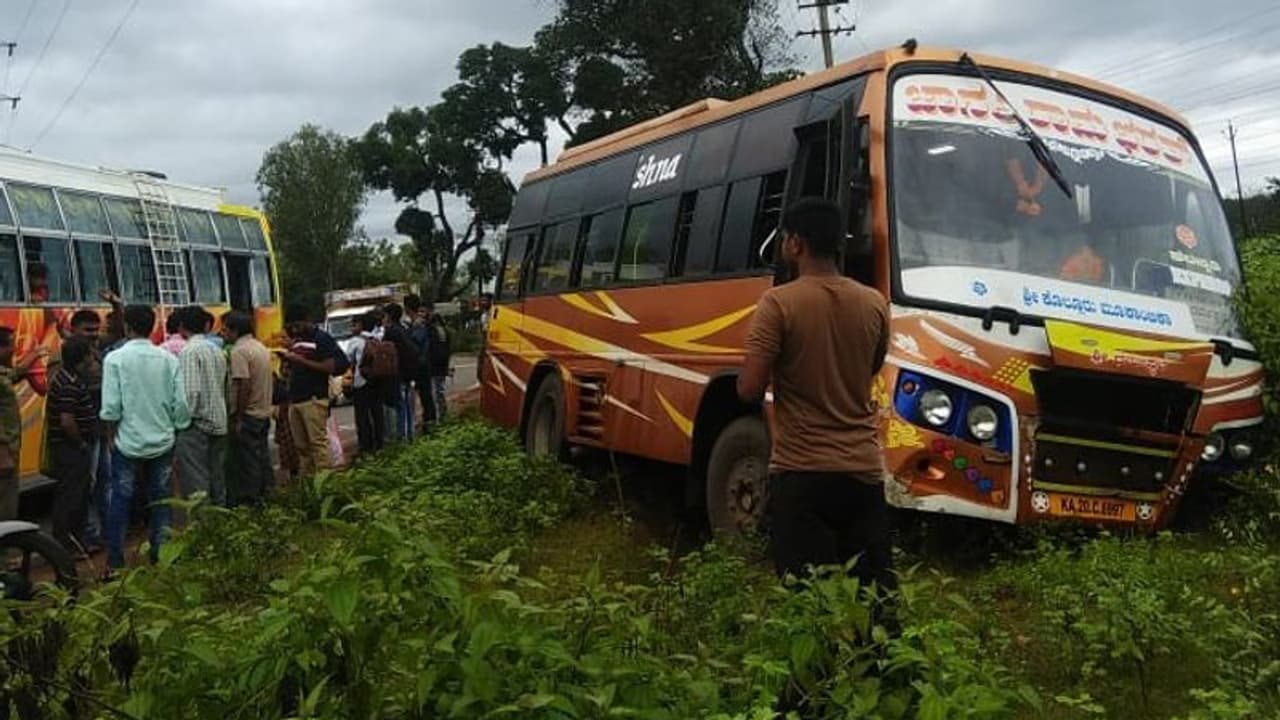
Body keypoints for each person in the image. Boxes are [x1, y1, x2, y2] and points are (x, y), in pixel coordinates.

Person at [737, 198, 893, 593]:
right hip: (863, 472)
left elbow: (749, 388)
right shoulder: (874, 303)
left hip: (802, 471)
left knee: (806, 599)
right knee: (873, 600)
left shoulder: (779, 303)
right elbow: (870, 369)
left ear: (794, 244)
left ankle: (817, 657)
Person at [100, 305, 191, 570]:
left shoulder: (114, 359)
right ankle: (160, 556)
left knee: (120, 499)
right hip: (162, 441)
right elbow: (181, 405)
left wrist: (110, 437)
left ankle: (115, 561)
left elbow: (111, 407)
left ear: (127, 327)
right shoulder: (168, 360)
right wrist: (176, 429)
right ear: (152, 327)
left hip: (126, 443)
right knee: (161, 499)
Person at [46, 337, 98, 554]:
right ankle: (68, 546)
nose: (93, 355)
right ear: (83, 357)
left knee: (70, 494)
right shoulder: (70, 384)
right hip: (71, 449)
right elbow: (67, 421)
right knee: (72, 497)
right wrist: (81, 443)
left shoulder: (63, 377)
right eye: (90, 352)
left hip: (66, 447)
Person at [175, 306, 229, 508]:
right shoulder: (216, 350)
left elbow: (191, 394)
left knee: (197, 484)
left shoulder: (189, 351)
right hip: (218, 421)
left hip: (197, 425)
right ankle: (221, 523)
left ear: (181, 327)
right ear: (206, 325)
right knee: (217, 480)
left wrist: (181, 423)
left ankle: (204, 530)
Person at [281, 305, 340, 476]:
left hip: (314, 398)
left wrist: (300, 360)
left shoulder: (321, 338)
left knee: (317, 444)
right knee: (302, 447)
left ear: (307, 320)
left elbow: (330, 366)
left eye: (298, 325)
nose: (295, 330)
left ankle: (326, 482)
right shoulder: (298, 341)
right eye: (292, 326)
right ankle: (308, 485)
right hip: (296, 398)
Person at [223, 310, 273, 503]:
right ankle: (267, 493)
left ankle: (252, 500)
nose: (223, 333)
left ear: (235, 330)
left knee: (247, 461)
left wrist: (238, 416)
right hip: (263, 410)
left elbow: (243, 384)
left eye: (226, 329)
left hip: (249, 414)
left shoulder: (239, 351)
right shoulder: (260, 347)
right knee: (262, 457)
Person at [346, 312, 386, 455]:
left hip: (360, 382)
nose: (351, 327)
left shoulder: (355, 341)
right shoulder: (377, 338)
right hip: (377, 380)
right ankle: (380, 443)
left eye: (354, 324)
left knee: (362, 416)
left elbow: (348, 360)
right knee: (377, 413)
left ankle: (366, 446)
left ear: (361, 326)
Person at [382, 303, 417, 441]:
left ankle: (402, 436)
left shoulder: (391, 332)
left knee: (400, 405)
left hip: (399, 374)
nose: (383, 319)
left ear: (389, 316)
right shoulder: (403, 329)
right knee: (407, 405)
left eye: (384, 316)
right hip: (408, 373)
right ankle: (409, 434)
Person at [0, 327, 21, 520]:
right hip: (4, 449)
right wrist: (4, 452)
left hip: (9, 446)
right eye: (11, 345)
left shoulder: (3, 372)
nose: (14, 349)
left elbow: (13, 374)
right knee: (6, 501)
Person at [408, 303, 437, 432]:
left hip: (422, 365)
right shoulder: (426, 326)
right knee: (425, 395)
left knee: (425, 395)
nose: (420, 314)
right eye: (419, 311)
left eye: (423, 311)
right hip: (424, 364)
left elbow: (415, 342)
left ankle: (429, 421)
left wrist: (412, 329)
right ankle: (429, 419)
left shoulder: (422, 327)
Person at [428, 312, 451, 423]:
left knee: (435, 392)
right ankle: (443, 414)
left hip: (434, 366)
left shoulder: (431, 331)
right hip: (442, 365)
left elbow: (432, 349)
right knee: (440, 391)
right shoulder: (445, 331)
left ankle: (438, 417)